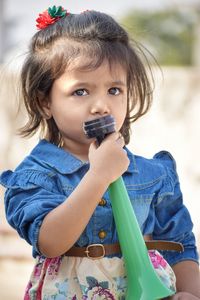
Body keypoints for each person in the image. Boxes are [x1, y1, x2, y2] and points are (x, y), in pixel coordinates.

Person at [0, 6, 199, 300]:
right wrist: (98, 176)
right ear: (45, 103)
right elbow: (50, 241)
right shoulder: (34, 177)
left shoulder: (154, 174)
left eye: (114, 90)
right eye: (81, 91)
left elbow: (179, 243)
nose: (101, 106)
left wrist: (190, 292)